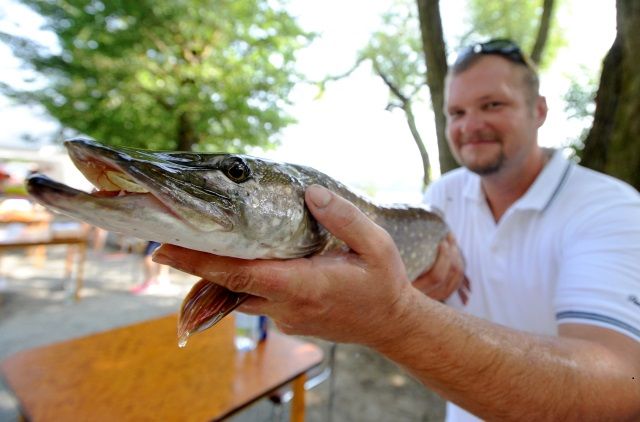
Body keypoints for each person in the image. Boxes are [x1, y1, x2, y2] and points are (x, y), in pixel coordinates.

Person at [152, 39, 640, 420]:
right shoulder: (445, 195)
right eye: (456, 112)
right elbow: (418, 295)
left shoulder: (609, 208)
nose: (471, 125)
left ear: (539, 111)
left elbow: (620, 392)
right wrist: (420, 296)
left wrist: (398, 318)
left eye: (492, 105)